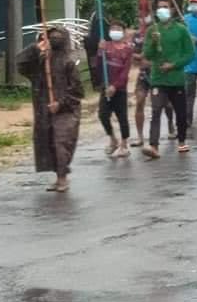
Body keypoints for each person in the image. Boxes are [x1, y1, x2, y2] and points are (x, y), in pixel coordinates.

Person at [18, 26, 84, 192]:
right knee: (49, 143)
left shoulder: (69, 62)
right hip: (44, 109)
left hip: (66, 111)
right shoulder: (42, 61)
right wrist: (35, 48)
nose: (54, 40)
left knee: (61, 143)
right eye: (51, 37)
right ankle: (58, 176)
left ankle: (62, 178)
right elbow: (21, 64)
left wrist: (60, 104)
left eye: (57, 37)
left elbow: (77, 91)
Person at [142, 0, 195, 158]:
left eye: (165, 7)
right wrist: (153, 42)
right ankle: (154, 145)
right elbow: (147, 55)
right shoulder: (152, 31)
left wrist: (173, 65)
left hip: (176, 79)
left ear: (171, 10)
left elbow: (190, 54)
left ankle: (182, 141)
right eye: (159, 8)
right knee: (156, 111)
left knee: (180, 112)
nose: (162, 10)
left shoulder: (181, 30)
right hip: (158, 79)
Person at [131, 12, 175, 148]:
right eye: (140, 15)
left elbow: (167, 54)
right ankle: (140, 136)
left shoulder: (160, 32)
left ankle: (171, 125)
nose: (143, 18)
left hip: (159, 74)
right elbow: (133, 55)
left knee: (166, 104)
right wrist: (138, 59)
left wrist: (152, 62)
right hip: (143, 75)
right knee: (139, 101)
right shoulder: (136, 36)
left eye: (145, 15)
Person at [95, 18, 133, 158]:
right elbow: (99, 67)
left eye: (118, 29)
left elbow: (125, 72)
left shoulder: (128, 49)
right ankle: (113, 139)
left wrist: (115, 86)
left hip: (120, 89)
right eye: (113, 29)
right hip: (106, 87)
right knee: (103, 114)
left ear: (123, 32)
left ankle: (124, 144)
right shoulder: (105, 46)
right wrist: (100, 52)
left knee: (122, 116)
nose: (115, 31)